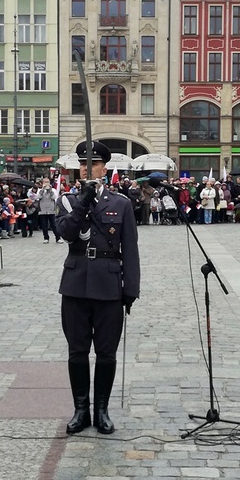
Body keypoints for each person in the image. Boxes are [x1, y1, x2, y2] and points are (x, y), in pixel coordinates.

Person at [55, 140, 140, 435]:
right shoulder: (67, 200)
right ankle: (81, 410)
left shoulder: (121, 203)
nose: (85, 169)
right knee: (77, 352)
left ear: (104, 169)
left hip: (109, 286)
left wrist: (131, 289)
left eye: (91, 164)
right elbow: (65, 233)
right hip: (76, 284)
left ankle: (101, 410)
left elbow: (130, 248)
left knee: (106, 353)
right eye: (81, 164)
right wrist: (82, 202)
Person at [36, 178, 61, 243]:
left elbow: (54, 197)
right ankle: (46, 238)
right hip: (43, 210)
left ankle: (58, 238)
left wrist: (50, 191)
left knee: (54, 225)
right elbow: (38, 197)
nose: (46, 183)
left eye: (48, 182)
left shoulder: (53, 190)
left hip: (51, 209)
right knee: (44, 225)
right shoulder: (40, 190)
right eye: (45, 182)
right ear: (43, 183)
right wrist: (42, 189)